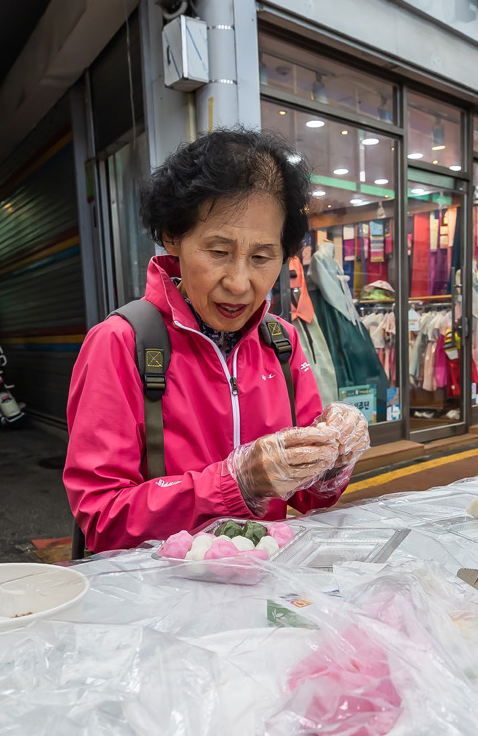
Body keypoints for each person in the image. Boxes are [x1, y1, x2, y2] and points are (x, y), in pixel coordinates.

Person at [65, 128, 369, 554]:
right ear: (173, 236)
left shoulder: (282, 343)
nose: (240, 282)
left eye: (262, 258)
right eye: (218, 252)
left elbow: (309, 497)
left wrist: (333, 459)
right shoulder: (120, 344)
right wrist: (235, 484)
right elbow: (102, 519)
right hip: (160, 605)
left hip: (264, 590)